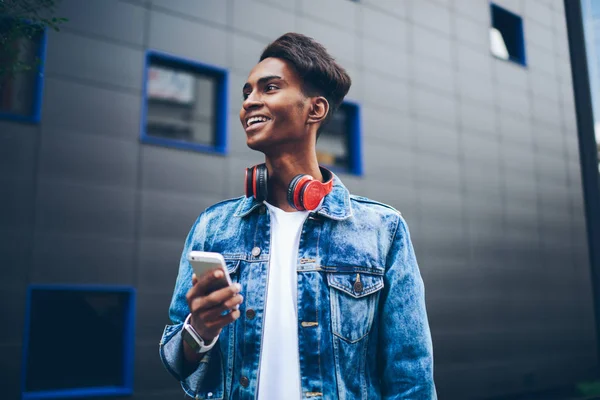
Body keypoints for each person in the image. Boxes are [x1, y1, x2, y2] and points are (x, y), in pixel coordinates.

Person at [159, 32, 437, 400]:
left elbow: (411, 378)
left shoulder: (382, 229)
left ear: (315, 109)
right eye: (246, 93)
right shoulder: (213, 226)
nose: (249, 103)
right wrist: (200, 331)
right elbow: (176, 360)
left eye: (269, 88)